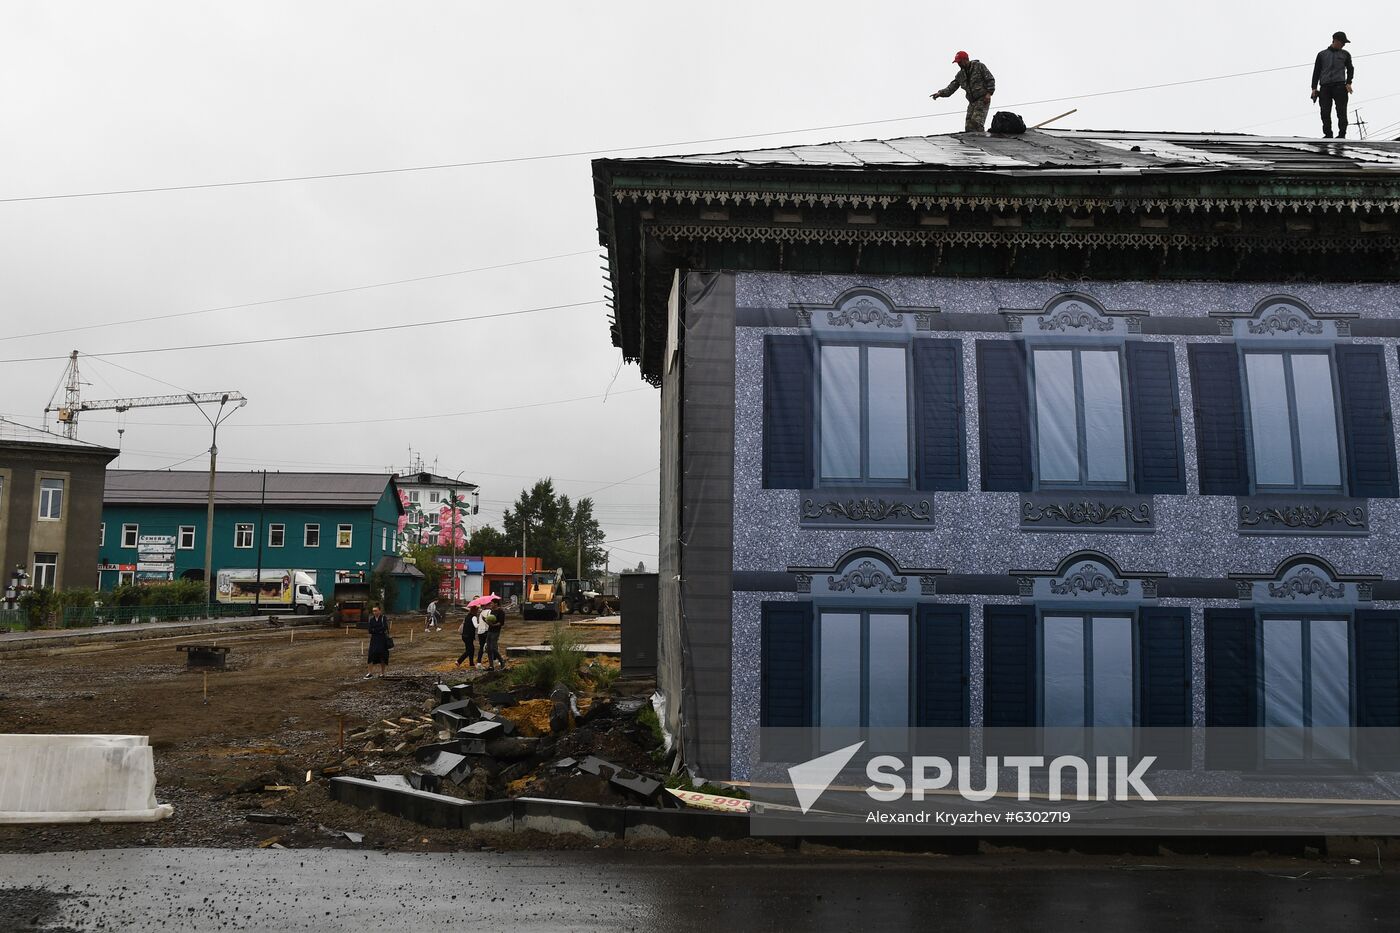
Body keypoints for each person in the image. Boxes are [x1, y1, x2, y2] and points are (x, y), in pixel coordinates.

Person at [931, 51, 996, 133]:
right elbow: (951, 87)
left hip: (982, 99)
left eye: (960, 62)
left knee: (976, 123)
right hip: (972, 102)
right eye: (958, 62)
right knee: (969, 126)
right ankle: (973, 141)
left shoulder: (979, 66)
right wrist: (940, 93)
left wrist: (989, 94)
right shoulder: (960, 75)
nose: (959, 64)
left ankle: (981, 140)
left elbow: (990, 79)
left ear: (966, 59)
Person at [1311, 31, 1354, 139]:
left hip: (1340, 87)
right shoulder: (1322, 55)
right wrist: (1314, 88)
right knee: (1325, 112)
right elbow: (1316, 71)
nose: (1343, 45)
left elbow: (1350, 69)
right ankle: (1328, 134)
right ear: (1335, 40)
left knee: (1341, 111)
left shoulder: (1345, 54)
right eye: (1342, 42)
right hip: (1325, 87)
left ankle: (1342, 134)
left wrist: (1348, 82)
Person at [364, 605, 390, 679]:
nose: (374, 612)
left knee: (383, 655)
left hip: (382, 639)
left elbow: (385, 627)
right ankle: (370, 673)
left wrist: (375, 630)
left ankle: (382, 673)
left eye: (376, 611)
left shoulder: (383, 618)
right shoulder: (371, 619)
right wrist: (378, 630)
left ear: (379, 611)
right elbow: (370, 630)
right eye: (373, 611)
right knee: (371, 655)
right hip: (374, 639)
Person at [483, 606, 506, 670]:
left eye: (492, 603)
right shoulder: (492, 611)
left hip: (496, 632)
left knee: (493, 648)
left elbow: (501, 623)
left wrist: (494, 625)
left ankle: (502, 661)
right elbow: (491, 621)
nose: (491, 604)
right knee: (488, 649)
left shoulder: (501, 612)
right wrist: (486, 620)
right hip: (490, 631)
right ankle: (491, 666)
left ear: (496, 603)